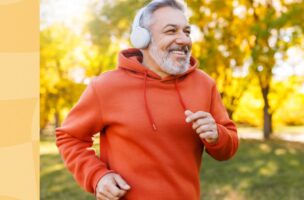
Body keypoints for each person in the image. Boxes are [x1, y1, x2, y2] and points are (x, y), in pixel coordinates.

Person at [56, 0, 239, 199]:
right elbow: (70, 137)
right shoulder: (106, 86)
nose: (184, 40)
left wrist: (217, 135)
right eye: (171, 31)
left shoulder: (205, 85)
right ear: (142, 38)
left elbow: (228, 149)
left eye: (187, 32)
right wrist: (97, 176)